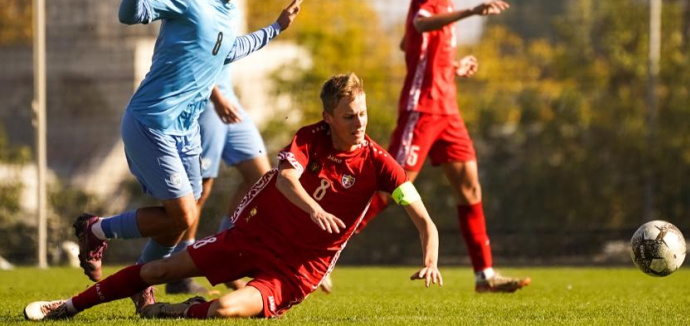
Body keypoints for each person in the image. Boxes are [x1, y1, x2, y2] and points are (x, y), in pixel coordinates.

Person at [23, 73, 442, 320]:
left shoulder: (379, 162)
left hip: (296, 271)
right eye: (349, 116)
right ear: (328, 117)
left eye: (363, 114)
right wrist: (315, 209)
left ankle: (176, 312)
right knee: (154, 272)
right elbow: (284, 180)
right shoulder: (309, 138)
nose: (359, 123)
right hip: (252, 238)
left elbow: (424, 219)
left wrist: (429, 260)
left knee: (224, 310)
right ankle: (67, 308)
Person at [71, 0, 305, 311]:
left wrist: (276, 28)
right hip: (152, 121)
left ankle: (141, 279)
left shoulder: (227, 10)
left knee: (179, 221)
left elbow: (230, 50)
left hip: (187, 133)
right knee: (183, 213)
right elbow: (132, 15)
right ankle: (95, 230)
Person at [359, 0, 530, 293]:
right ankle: (319, 251)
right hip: (420, 110)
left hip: (448, 111)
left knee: (470, 186)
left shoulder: (445, 2)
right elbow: (419, 29)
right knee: (392, 188)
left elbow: (409, 45)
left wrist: (452, 67)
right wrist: (471, 12)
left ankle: (485, 276)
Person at [166, 68, 272, 295]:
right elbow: (201, 55)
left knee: (262, 181)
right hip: (206, 103)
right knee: (199, 190)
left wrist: (274, 30)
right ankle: (179, 276)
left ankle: (224, 258)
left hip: (229, 100)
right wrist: (217, 97)